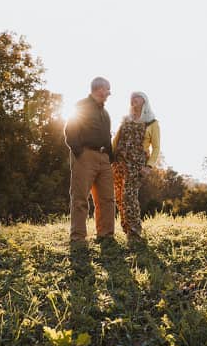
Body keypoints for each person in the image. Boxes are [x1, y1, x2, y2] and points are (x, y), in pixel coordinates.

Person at [63, 77, 115, 243]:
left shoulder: (105, 113)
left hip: (104, 159)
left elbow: (107, 137)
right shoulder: (81, 106)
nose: (109, 93)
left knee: (107, 199)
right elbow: (70, 131)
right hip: (85, 155)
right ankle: (78, 237)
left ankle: (105, 235)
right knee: (80, 198)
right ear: (100, 89)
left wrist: (109, 157)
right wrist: (79, 152)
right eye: (107, 90)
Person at [112, 91, 161, 239]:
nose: (133, 98)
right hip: (119, 163)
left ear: (144, 101)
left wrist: (149, 166)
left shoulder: (152, 123)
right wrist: (110, 157)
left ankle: (135, 231)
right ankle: (126, 228)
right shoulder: (125, 120)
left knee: (129, 195)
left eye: (137, 96)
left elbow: (156, 147)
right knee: (119, 196)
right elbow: (116, 140)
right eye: (131, 97)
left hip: (137, 165)